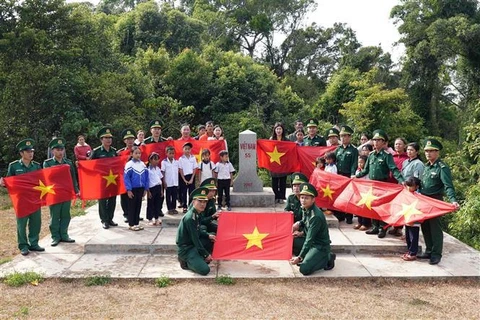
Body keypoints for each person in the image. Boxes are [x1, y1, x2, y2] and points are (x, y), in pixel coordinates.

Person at [355, 129, 405, 238]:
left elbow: (394, 169)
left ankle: (383, 228)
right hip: (372, 185)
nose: (376, 142)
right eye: (374, 140)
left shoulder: (387, 155)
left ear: (384, 142)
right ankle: (375, 227)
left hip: (383, 185)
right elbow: (365, 170)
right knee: (373, 205)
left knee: (382, 207)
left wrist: (402, 180)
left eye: (379, 140)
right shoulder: (371, 155)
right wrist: (356, 176)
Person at [419, 138, 459, 265]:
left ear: (437, 152)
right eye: (426, 151)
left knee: (435, 227)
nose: (428, 154)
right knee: (425, 226)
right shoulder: (426, 166)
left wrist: (453, 200)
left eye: (431, 151)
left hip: (435, 200)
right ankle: (429, 250)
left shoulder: (442, 167)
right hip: (424, 199)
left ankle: (436, 254)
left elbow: (448, 185)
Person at [1, 139, 44, 256]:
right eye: (28, 151)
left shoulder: (36, 166)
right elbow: (9, 182)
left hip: (34, 198)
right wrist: (4, 183)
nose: (31, 154)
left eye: (32, 151)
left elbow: (42, 182)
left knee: (36, 222)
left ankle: (34, 243)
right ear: (21, 153)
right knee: (22, 223)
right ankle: (23, 245)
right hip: (21, 200)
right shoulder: (14, 166)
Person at [290, 183, 335, 275]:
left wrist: (299, 257)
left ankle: (328, 257)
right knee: (291, 241)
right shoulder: (305, 208)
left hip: (319, 245)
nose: (303, 200)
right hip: (311, 242)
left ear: (313, 199)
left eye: (307, 198)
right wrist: (299, 223)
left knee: (304, 269)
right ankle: (311, 256)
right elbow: (305, 221)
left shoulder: (315, 216)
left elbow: (309, 239)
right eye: (302, 197)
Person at [43, 138, 79, 246]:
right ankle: (55, 237)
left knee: (65, 215)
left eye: (62, 149)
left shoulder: (68, 162)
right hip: (54, 194)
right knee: (55, 215)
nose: (60, 152)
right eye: (57, 150)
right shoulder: (48, 163)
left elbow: (73, 178)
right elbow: (47, 176)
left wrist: (76, 190)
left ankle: (64, 234)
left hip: (66, 192)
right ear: (53, 151)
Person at [176, 187, 213, 275]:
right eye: (200, 201)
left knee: (211, 239)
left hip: (192, 245)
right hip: (186, 249)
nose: (203, 204)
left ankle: (198, 257)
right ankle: (185, 262)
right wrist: (206, 254)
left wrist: (208, 235)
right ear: (193, 202)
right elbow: (195, 239)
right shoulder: (190, 218)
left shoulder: (197, 214)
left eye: (205, 202)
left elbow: (198, 230)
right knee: (205, 270)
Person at [91, 126, 118, 229]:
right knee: (102, 201)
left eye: (110, 138)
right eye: (106, 138)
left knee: (112, 199)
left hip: (113, 179)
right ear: (101, 140)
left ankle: (110, 218)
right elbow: (91, 166)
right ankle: (104, 220)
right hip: (101, 180)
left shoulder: (114, 151)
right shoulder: (97, 152)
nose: (108, 140)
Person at [335, 125, 359, 224]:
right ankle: (340, 215)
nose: (343, 138)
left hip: (348, 175)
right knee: (339, 195)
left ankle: (349, 216)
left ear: (349, 137)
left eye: (345, 136)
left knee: (348, 196)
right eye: (341, 136)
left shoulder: (353, 150)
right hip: (339, 175)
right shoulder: (338, 149)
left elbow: (354, 163)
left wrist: (352, 175)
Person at [124, 146, 148, 231]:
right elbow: (126, 178)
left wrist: (145, 188)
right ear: (131, 154)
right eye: (136, 153)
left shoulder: (142, 164)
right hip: (133, 189)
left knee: (138, 206)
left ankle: (136, 223)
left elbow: (146, 177)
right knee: (132, 206)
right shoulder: (129, 164)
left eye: (139, 153)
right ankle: (131, 224)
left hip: (141, 189)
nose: (138, 155)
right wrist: (129, 190)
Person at [118, 128, 136, 223]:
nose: (130, 141)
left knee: (135, 196)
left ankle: (134, 214)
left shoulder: (139, 150)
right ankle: (126, 214)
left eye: (131, 139)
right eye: (128, 139)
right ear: (124, 141)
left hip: (136, 177)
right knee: (124, 196)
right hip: (124, 178)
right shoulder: (120, 153)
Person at [197, 178, 220, 254]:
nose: (212, 193)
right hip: (198, 225)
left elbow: (213, 214)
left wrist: (219, 215)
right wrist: (212, 217)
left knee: (220, 229)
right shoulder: (199, 202)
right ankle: (205, 251)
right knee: (204, 229)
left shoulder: (211, 201)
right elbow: (201, 220)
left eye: (214, 191)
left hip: (207, 222)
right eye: (210, 191)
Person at [269, 122, 290, 204]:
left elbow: (289, 150)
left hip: (283, 162)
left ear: (282, 130)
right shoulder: (271, 139)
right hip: (274, 162)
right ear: (274, 130)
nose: (278, 130)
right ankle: (275, 196)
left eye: (280, 129)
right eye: (277, 129)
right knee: (274, 181)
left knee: (282, 181)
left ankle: (281, 197)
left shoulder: (286, 139)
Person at [403, 176, 422, 261]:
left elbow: (420, 208)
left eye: (411, 186)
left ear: (417, 187)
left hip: (414, 219)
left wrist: (413, 220)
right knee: (407, 236)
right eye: (408, 186)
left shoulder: (419, 196)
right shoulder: (406, 194)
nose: (409, 188)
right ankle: (409, 251)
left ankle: (413, 253)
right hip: (407, 218)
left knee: (413, 237)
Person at [178, 142, 198, 213]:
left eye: (189, 149)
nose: (187, 150)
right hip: (184, 177)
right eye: (186, 149)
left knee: (191, 192)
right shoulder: (181, 159)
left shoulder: (193, 158)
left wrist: (192, 178)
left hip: (191, 176)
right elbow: (180, 169)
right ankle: (184, 206)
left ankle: (191, 205)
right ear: (183, 150)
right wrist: (184, 179)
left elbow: (195, 168)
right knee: (183, 192)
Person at [353, 155, 371, 230]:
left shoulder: (368, 172)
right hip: (359, 191)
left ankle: (365, 223)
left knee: (365, 208)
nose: (360, 164)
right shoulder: (358, 171)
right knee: (359, 208)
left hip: (366, 192)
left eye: (362, 162)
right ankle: (359, 222)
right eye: (359, 162)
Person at [147, 152, 164, 226]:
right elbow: (147, 181)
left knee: (157, 204)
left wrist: (161, 190)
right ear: (150, 160)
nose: (156, 161)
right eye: (154, 159)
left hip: (158, 187)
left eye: (157, 159)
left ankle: (156, 217)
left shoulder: (158, 169)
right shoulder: (147, 170)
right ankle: (150, 218)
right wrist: (148, 191)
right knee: (151, 204)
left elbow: (160, 180)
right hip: (151, 188)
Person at [161, 146, 179, 215]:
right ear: (166, 153)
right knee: (168, 196)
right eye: (170, 153)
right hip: (168, 182)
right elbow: (163, 172)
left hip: (175, 182)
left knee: (174, 196)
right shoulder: (164, 162)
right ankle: (169, 209)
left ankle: (174, 208)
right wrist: (164, 182)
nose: (171, 155)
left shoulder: (176, 162)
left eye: (173, 153)